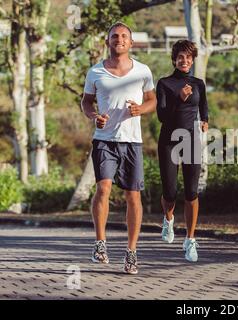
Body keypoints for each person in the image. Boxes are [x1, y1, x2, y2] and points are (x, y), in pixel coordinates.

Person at [81, 22, 156, 274]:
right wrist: (94, 116)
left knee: (132, 196)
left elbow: (152, 100)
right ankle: (100, 244)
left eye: (124, 36)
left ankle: (131, 252)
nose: (119, 39)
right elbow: (86, 102)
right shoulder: (95, 72)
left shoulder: (143, 71)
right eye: (115, 36)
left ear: (131, 43)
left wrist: (140, 109)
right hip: (104, 139)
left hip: (132, 141)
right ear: (107, 41)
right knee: (103, 188)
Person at [156, 40, 208, 262]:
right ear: (174, 59)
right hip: (169, 140)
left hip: (191, 140)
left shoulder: (199, 83)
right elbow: (162, 116)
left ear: (193, 59)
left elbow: (203, 105)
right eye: (180, 57)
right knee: (170, 192)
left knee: (192, 191)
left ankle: (190, 240)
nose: (184, 60)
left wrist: (205, 120)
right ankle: (168, 219)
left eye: (188, 57)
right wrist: (180, 98)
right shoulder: (165, 84)